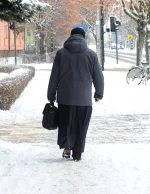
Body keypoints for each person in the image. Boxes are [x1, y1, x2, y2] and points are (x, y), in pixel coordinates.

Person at [47, 27, 104, 161]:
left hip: (65, 98)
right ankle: (77, 153)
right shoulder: (91, 55)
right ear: (83, 38)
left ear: (70, 36)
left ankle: (67, 148)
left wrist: (51, 95)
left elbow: (54, 75)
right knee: (81, 125)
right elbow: (98, 76)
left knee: (66, 124)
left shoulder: (61, 54)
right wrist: (99, 93)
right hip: (84, 99)